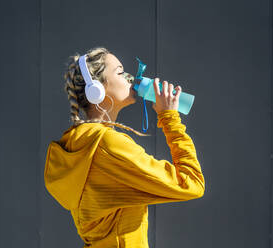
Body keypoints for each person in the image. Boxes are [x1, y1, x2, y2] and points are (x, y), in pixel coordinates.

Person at [44, 47, 205, 248]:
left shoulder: (74, 145)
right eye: (120, 72)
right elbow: (191, 183)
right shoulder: (107, 144)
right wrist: (170, 118)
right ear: (97, 90)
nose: (130, 78)